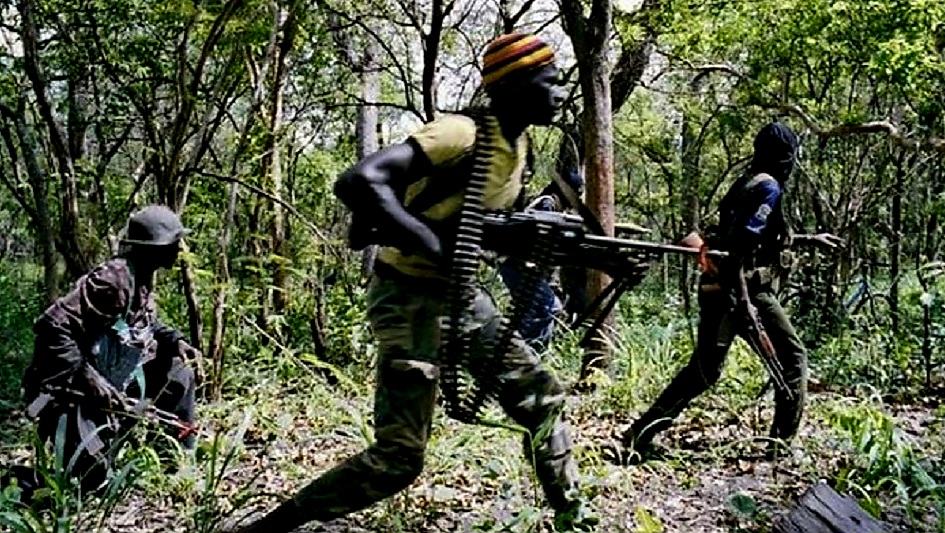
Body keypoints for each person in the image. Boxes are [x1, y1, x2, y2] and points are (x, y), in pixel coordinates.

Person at [223, 32, 596, 533]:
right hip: (407, 295)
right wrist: (433, 244)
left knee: (541, 397)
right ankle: (269, 528)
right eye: (548, 82)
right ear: (514, 86)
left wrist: (554, 241)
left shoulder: (518, 146)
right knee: (399, 458)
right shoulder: (460, 134)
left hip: (461, 294)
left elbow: (480, 228)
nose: (558, 93)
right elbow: (359, 181)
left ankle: (575, 519)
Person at [618, 122, 842, 462]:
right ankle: (781, 448)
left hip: (718, 289)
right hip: (745, 290)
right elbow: (739, 248)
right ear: (784, 158)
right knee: (793, 359)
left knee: (704, 371)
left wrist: (813, 239)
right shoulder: (769, 189)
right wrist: (745, 303)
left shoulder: (746, 183)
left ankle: (640, 433)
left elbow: (753, 236)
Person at [3, 205, 200, 503]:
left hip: (116, 383)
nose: (178, 249)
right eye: (173, 243)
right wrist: (90, 378)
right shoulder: (113, 280)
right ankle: (11, 482)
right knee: (90, 485)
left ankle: (176, 463)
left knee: (178, 372)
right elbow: (51, 326)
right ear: (153, 248)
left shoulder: (142, 278)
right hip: (71, 394)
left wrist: (175, 341)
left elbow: (141, 325)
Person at [497, 169, 584, 351]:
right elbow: (539, 236)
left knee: (537, 309)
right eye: (576, 193)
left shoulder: (551, 204)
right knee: (546, 307)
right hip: (519, 266)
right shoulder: (547, 205)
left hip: (517, 266)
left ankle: (520, 353)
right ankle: (523, 353)